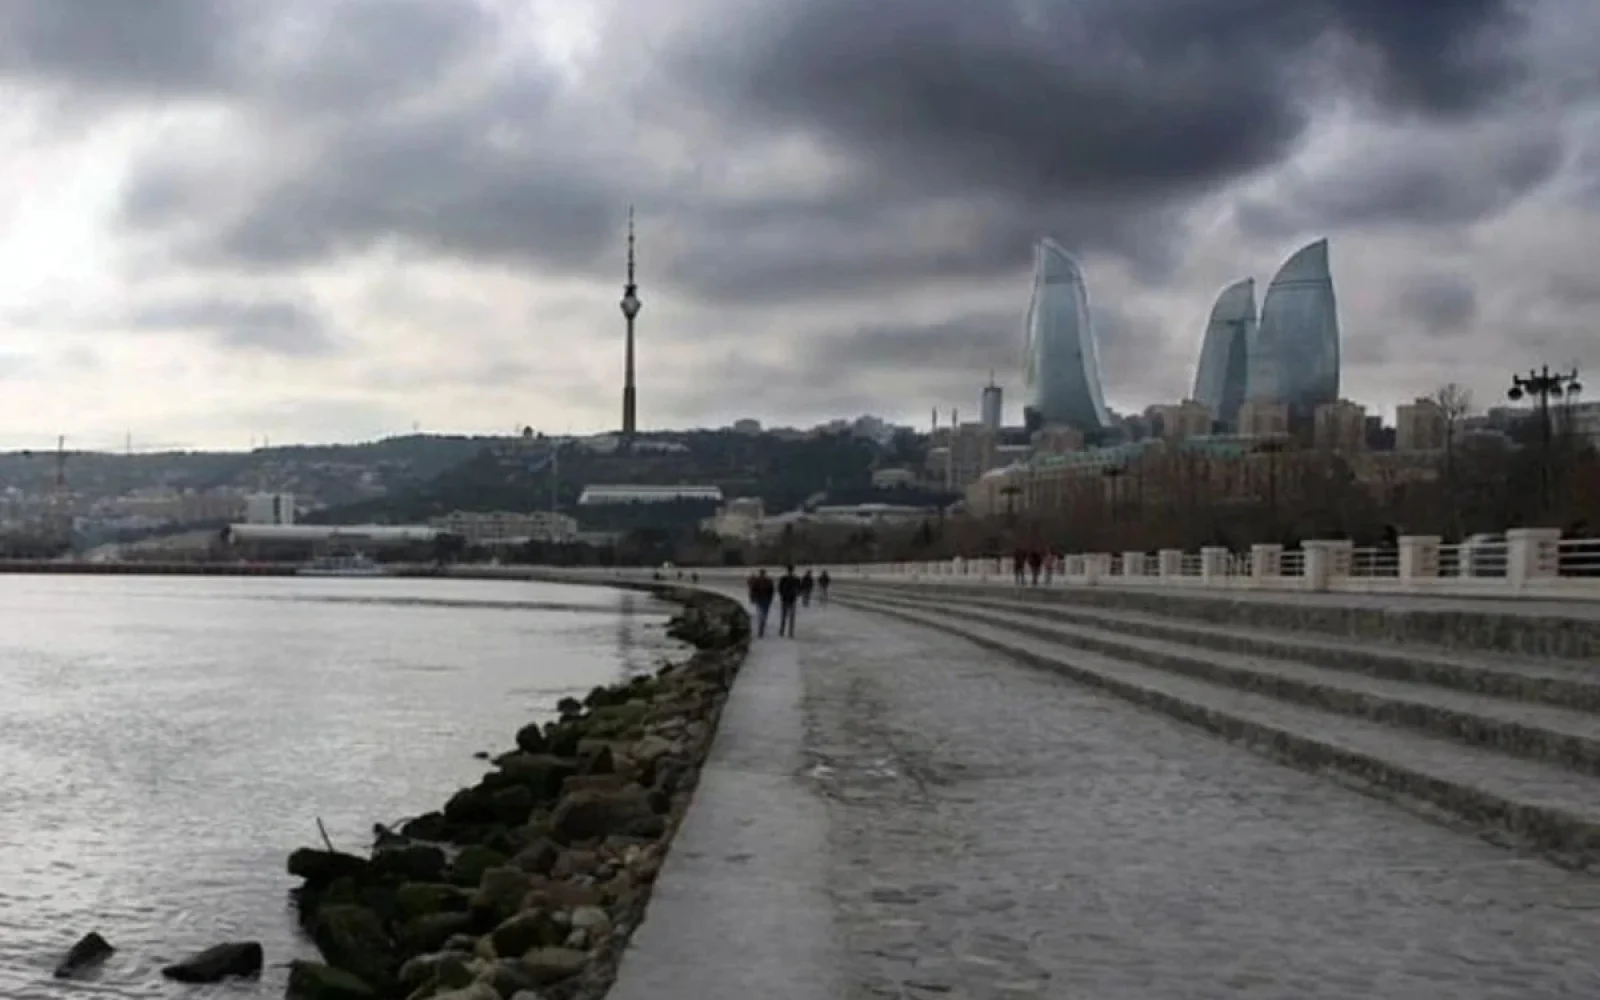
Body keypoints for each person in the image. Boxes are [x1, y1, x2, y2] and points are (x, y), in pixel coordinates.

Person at [747, 569, 775, 638]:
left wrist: (753, 598)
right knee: (763, 615)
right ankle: (761, 629)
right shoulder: (768, 581)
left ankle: (761, 628)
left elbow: (753, 591)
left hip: (761, 600)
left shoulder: (758, 581)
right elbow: (772, 591)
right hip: (764, 600)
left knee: (762, 614)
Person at [776, 565, 801, 638]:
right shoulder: (796, 579)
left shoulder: (784, 578)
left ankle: (783, 631)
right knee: (791, 617)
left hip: (786, 599)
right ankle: (789, 632)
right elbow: (799, 590)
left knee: (784, 616)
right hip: (791, 599)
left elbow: (779, 588)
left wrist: (782, 595)